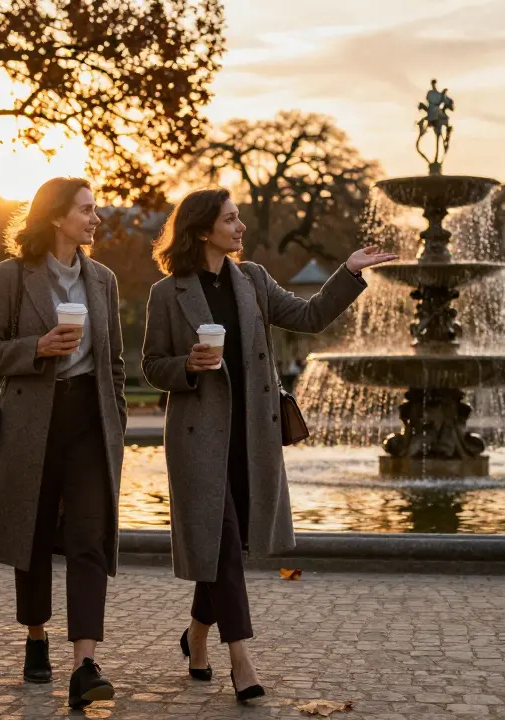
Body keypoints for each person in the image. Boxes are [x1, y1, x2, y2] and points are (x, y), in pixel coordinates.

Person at [141, 187, 395, 703]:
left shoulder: (252, 280)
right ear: (202, 229)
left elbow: (307, 316)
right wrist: (186, 366)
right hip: (197, 440)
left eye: (239, 219)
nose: (240, 228)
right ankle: (242, 659)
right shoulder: (167, 294)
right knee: (223, 540)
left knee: (224, 544)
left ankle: (194, 635)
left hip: (250, 436)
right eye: (231, 220)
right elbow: (150, 365)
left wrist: (348, 270)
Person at [0, 177, 126, 709]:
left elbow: (115, 365)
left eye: (95, 210)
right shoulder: (11, 276)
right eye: (86, 209)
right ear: (56, 217)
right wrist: (36, 346)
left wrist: (116, 423)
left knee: (88, 538)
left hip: (88, 422)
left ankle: (85, 663)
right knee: (30, 535)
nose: (94, 218)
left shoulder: (103, 280)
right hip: (32, 420)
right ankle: (36, 636)